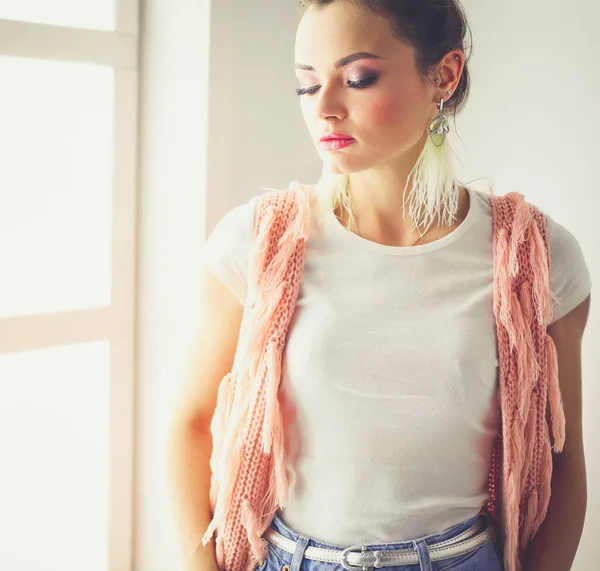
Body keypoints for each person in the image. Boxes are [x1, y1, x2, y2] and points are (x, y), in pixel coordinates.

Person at [167, 2, 592, 571]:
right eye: (307, 85)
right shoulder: (256, 243)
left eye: (359, 78)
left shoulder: (534, 258)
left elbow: (563, 462)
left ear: (444, 75)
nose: (325, 107)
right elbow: (192, 424)